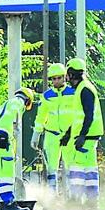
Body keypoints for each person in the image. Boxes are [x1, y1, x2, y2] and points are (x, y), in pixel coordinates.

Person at [0, 88, 35, 210]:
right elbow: (8, 117)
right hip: (1, 135)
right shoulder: (17, 103)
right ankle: (9, 203)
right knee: (7, 171)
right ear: (27, 100)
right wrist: (3, 136)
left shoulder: (6, 103)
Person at [61, 58, 104, 208]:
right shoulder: (83, 88)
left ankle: (76, 200)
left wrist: (82, 135)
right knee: (90, 168)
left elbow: (89, 115)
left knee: (77, 166)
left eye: (67, 74)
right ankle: (92, 201)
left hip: (86, 136)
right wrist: (68, 133)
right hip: (88, 135)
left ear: (71, 75)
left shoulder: (84, 89)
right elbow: (78, 116)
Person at [31, 63, 75, 195]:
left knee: (70, 167)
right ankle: (52, 197)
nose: (56, 81)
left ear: (64, 77)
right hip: (51, 135)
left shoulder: (73, 93)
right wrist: (36, 135)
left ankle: (70, 197)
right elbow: (41, 117)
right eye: (53, 78)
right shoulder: (46, 96)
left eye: (59, 78)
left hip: (69, 135)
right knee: (51, 168)